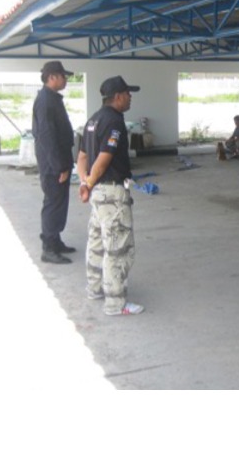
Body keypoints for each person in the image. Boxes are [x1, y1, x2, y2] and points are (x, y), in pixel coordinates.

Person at [76, 76, 144, 316]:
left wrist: (85, 182)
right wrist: (89, 182)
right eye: (127, 93)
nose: (130, 97)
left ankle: (95, 288)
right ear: (117, 96)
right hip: (112, 192)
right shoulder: (114, 121)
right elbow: (104, 159)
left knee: (97, 242)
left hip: (97, 193)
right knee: (118, 247)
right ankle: (116, 303)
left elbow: (82, 157)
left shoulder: (93, 119)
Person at [32, 60, 76, 265]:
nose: (65, 79)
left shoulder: (51, 98)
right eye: (63, 76)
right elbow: (47, 136)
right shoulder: (45, 101)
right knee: (53, 204)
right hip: (53, 165)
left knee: (59, 203)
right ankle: (48, 248)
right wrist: (60, 167)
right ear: (52, 77)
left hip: (58, 161)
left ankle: (55, 241)